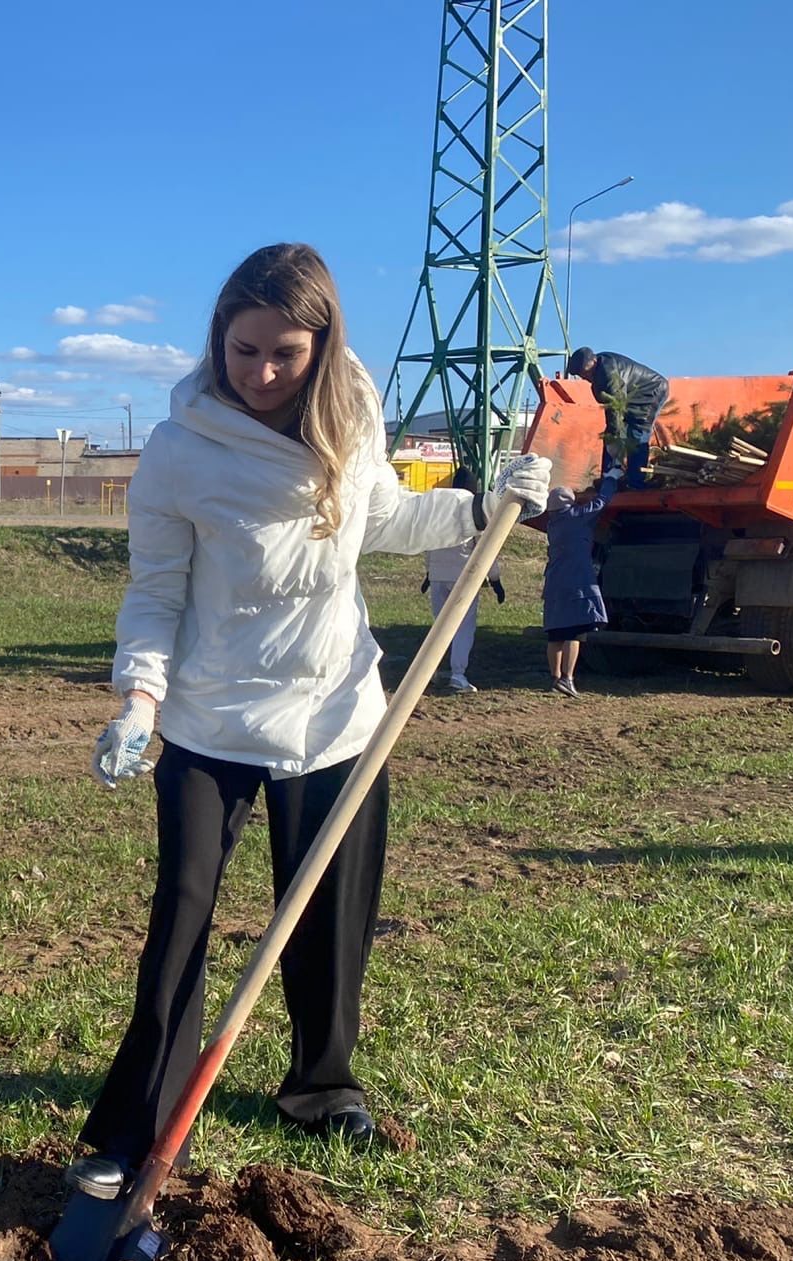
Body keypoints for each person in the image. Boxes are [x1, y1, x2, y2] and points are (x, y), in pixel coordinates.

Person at [71, 243, 549, 1197]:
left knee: (333, 914)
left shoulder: (351, 415)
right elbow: (157, 588)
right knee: (182, 921)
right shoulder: (180, 449)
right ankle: (140, 1124)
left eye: (284, 353)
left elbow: (383, 518)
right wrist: (140, 695)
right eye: (243, 350)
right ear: (219, 339)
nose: (260, 373)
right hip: (209, 719)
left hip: (335, 712)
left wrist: (485, 507)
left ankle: (322, 1090)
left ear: (322, 346)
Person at [420, 467, 505, 693]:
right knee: (463, 628)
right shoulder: (476, 508)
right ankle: (458, 675)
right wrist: (495, 581)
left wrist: (428, 574)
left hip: (438, 577)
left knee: (440, 628)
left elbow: (428, 545)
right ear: (473, 487)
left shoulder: (438, 509)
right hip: (463, 579)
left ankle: (429, 672)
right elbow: (487, 548)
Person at [567, 346, 667, 493]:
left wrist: (614, 432)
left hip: (651, 391)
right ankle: (609, 478)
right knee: (613, 434)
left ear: (592, 362)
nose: (584, 377)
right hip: (631, 395)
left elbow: (616, 405)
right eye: (581, 375)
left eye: (584, 373)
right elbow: (611, 408)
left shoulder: (609, 373)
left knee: (638, 432)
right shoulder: (598, 372)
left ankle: (636, 483)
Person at [542, 482, 608, 696]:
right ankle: (568, 678)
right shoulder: (577, 517)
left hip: (554, 583)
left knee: (555, 635)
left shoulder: (553, 524)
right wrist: (612, 478)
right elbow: (601, 502)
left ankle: (555, 679)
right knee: (575, 633)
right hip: (576, 583)